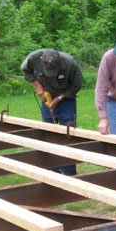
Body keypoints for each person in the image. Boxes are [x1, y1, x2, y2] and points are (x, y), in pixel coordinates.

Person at [21, 48, 83, 176]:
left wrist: (60, 97)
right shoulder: (33, 58)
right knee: (49, 136)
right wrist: (38, 85)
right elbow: (25, 71)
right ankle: (52, 172)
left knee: (68, 135)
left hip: (66, 101)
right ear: (41, 60)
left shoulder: (70, 63)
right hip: (47, 99)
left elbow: (77, 85)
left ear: (59, 60)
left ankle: (69, 173)